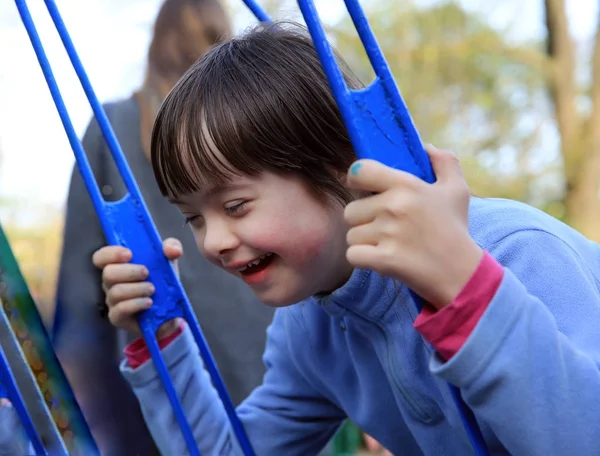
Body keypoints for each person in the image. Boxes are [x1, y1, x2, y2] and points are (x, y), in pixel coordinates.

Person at [92, 22, 600, 455]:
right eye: (193, 219)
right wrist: (158, 340)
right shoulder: (311, 327)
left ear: (342, 167)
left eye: (235, 206)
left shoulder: (520, 250)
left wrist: (463, 287)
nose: (213, 242)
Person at [51, 1, 274, 454]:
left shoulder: (111, 126)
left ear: (156, 42)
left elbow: (78, 290)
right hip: (258, 354)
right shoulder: (250, 121)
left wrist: (71, 416)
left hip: (161, 368)